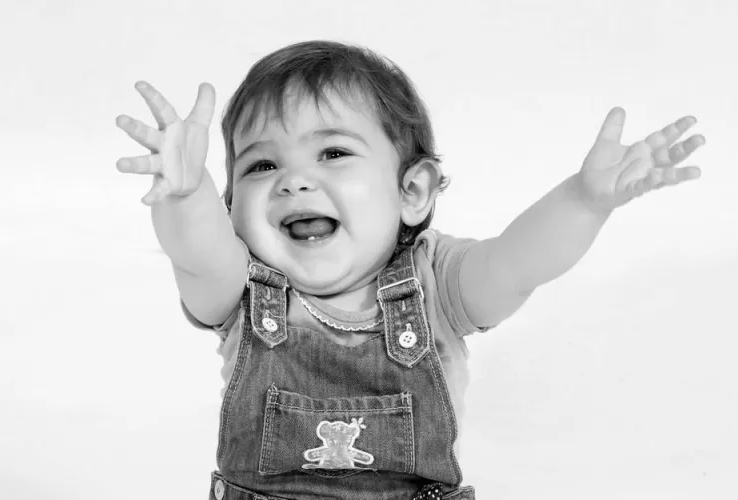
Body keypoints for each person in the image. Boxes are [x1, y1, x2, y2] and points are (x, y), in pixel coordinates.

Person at [114, 40, 705, 500]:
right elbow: (195, 252)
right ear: (231, 210)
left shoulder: (437, 285)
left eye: (334, 152)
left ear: (413, 191)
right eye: (262, 164)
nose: (293, 180)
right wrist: (185, 195)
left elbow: (517, 263)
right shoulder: (239, 287)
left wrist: (583, 201)